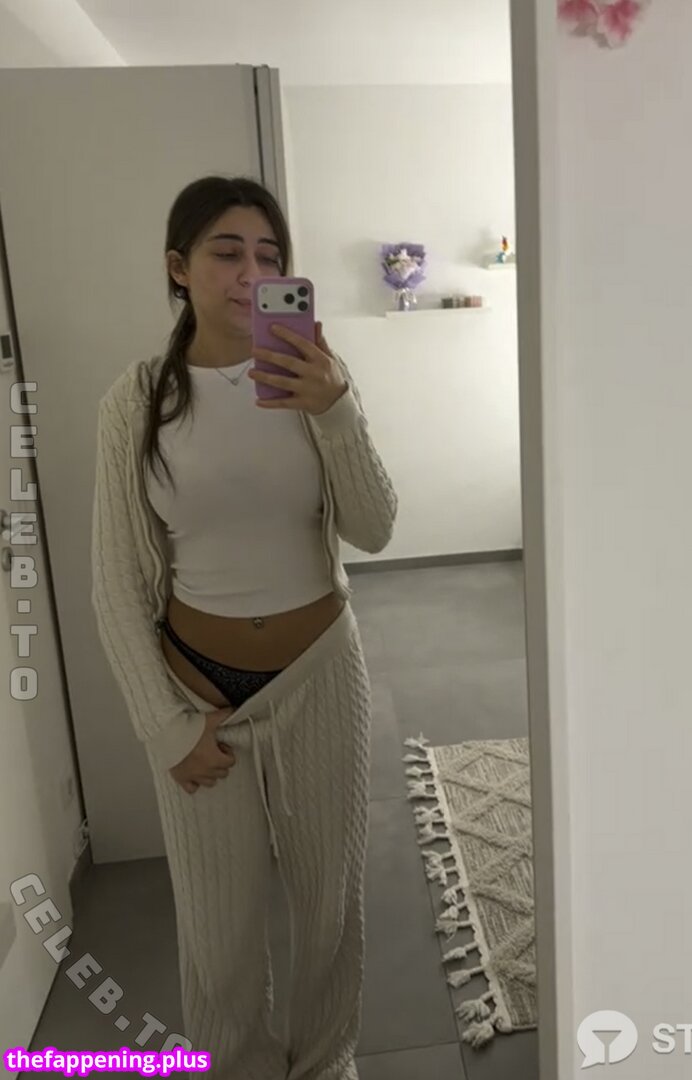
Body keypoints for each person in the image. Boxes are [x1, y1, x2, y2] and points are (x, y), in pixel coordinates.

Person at [90, 174, 398, 1080]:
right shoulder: (135, 402)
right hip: (198, 692)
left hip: (320, 676)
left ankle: (327, 1063)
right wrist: (165, 726)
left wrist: (335, 409)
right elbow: (115, 584)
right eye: (227, 253)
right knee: (217, 928)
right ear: (178, 268)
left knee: (329, 907)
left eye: (270, 256)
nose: (251, 273)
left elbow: (375, 528)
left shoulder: (317, 381)